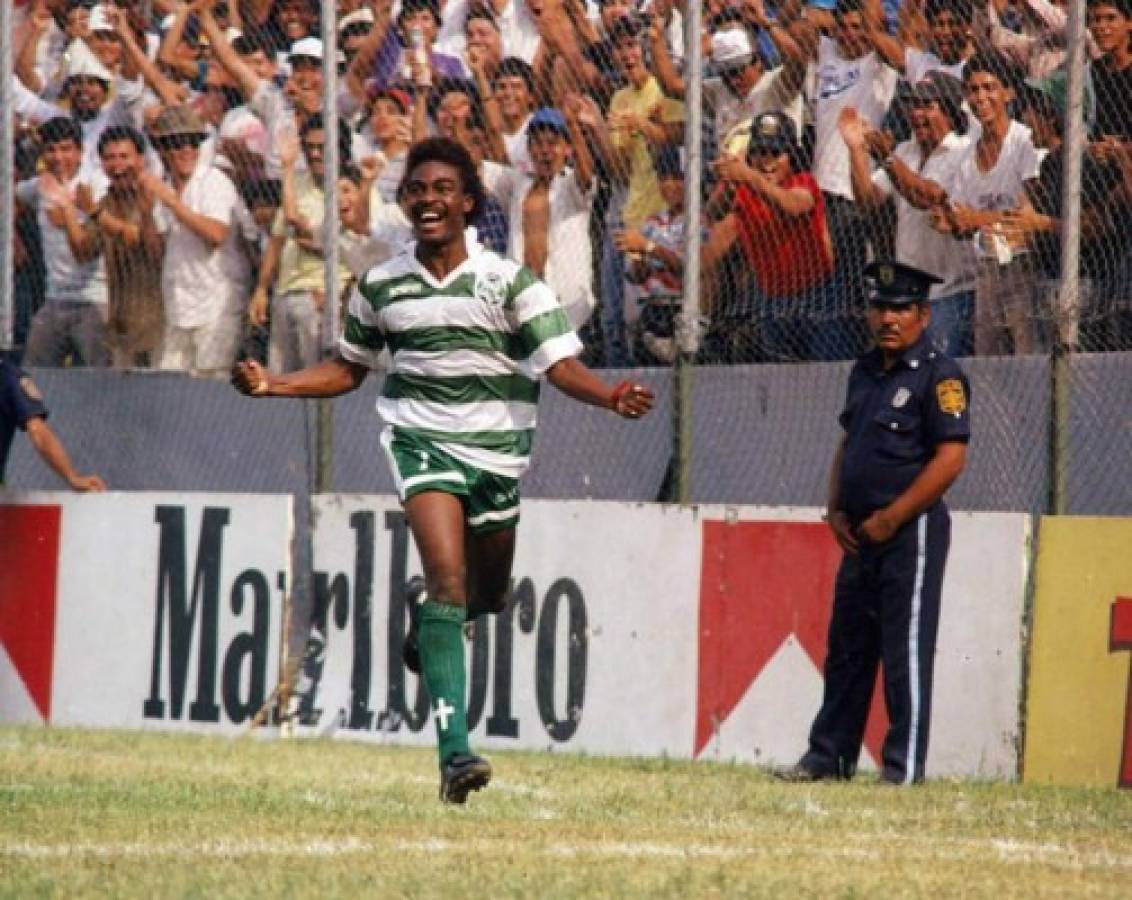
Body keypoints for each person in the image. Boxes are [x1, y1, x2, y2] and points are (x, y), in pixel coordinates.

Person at [232, 137, 654, 803]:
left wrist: (609, 396)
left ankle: (429, 621)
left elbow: (559, 364)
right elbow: (348, 368)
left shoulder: (510, 282)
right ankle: (455, 752)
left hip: (496, 455)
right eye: (416, 189)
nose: (428, 199)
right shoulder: (380, 285)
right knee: (449, 582)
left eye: (442, 189)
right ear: (404, 204)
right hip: (421, 443)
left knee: (485, 597)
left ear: (469, 203)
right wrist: (273, 385)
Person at [777, 261, 969, 785]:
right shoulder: (863, 370)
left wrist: (894, 517)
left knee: (904, 651)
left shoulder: (940, 375)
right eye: (880, 307)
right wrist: (835, 506)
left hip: (911, 531)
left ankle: (901, 769)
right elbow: (850, 441)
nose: (888, 318)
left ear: (923, 315)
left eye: (900, 309)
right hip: (861, 532)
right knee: (847, 649)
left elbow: (950, 460)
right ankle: (827, 758)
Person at [0, 356, 106, 492]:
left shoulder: (8, 378)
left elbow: (38, 432)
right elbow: (37, 431)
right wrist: (71, 477)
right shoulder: (10, 378)